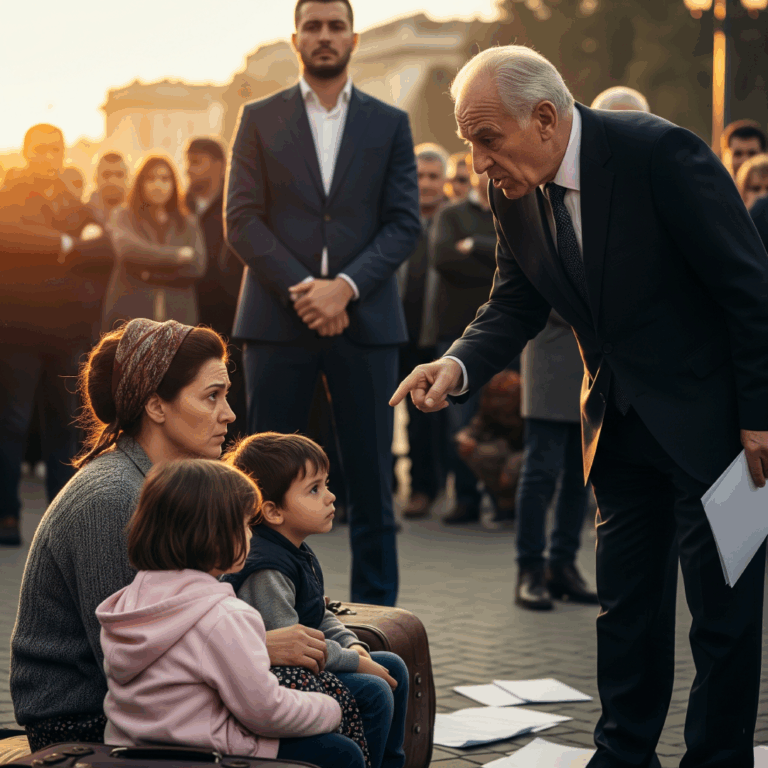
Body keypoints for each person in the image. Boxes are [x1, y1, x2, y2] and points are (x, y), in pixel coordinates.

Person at [391, 45, 768, 767]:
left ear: (543, 118)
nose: (477, 164)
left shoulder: (661, 156)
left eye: (486, 139)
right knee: (626, 613)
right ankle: (623, 755)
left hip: (718, 430)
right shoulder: (512, 192)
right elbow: (513, 303)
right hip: (619, 433)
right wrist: (457, 364)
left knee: (724, 617)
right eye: (469, 143)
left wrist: (760, 415)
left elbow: (749, 290)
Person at [10, 318, 331, 750]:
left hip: (158, 701)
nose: (230, 414)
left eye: (227, 396)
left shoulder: (166, 484)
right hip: (86, 724)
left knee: (341, 679)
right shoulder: (113, 498)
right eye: (211, 396)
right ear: (156, 407)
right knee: (341, 701)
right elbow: (128, 662)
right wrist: (262, 644)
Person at [225, 0, 420, 606]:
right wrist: (305, 288)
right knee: (261, 487)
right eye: (314, 26)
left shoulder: (389, 123)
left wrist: (346, 287)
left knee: (371, 484)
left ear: (354, 38)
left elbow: (403, 222)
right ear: (295, 38)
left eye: (336, 26)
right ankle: (259, 614)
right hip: (278, 321)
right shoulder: (259, 118)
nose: (325, 36)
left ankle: (378, 622)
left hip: (366, 322)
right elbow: (242, 220)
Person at [97, 459, 365, 768]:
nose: (251, 535)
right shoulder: (222, 617)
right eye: (243, 525)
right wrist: (330, 707)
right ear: (212, 536)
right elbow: (265, 712)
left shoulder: (130, 603)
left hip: (130, 753)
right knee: (342, 753)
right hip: (208, 756)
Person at [223, 432, 409, 768]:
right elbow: (295, 646)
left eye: (326, 484)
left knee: (394, 667)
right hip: (280, 681)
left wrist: (353, 646)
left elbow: (318, 613)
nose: (331, 497)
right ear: (273, 511)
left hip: (307, 666)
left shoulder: (295, 550)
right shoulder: (266, 568)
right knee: (374, 690)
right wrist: (355, 663)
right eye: (314, 489)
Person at [0, 124, 105, 546]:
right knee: (13, 424)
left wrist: (73, 244)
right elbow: (10, 236)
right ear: (27, 152)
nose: (49, 157)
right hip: (18, 331)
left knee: (67, 427)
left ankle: (60, 524)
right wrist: (64, 242)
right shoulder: (10, 194)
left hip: (66, 332)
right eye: (41, 150)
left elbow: (101, 243)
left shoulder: (70, 198)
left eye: (56, 150)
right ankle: (6, 516)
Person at [427, 167, 499, 525]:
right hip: (455, 332)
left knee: (505, 419)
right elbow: (443, 260)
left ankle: (503, 501)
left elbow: (519, 261)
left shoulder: (513, 207)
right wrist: (495, 262)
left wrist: (475, 246)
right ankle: (466, 499)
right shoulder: (450, 214)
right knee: (460, 421)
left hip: (504, 334)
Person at [514, 309, 597, 609]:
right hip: (549, 359)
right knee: (540, 474)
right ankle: (530, 570)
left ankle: (563, 565)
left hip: (593, 366)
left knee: (581, 475)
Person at [398, 143, 449, 519]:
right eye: (419, 176)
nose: (426, 184)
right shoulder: (397, 220)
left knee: (431, 418)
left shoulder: (453, 219)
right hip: (397, 333)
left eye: (433, 176)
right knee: (397, 419)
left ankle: (428, 488)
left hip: (437, 335)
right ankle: (405, 486)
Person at [185, 137, 246, 435]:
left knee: (231, 396)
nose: (189, 169)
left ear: (219, 166)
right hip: (189, 316)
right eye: (188, 161)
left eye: (197, 162)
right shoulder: (180, 205)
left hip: (230, 319)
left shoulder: (235, 204)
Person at [103, 155, 206, 331]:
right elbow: (127, 249)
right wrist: (176, 255)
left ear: (173, 184)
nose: (158, 185)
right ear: (140, 183)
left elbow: (197, 266)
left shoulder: (188, 222)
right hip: (129, 321)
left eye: (165, 179)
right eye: (151, 179)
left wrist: (147, 274)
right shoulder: (122, 215)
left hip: (179, 323)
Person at [84, 152, 130, 227]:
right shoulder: (82, 215)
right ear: (96, 178)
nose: (113, 181)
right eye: (106, 175)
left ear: (127, 178)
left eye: (119, 175)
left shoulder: (139, 216)